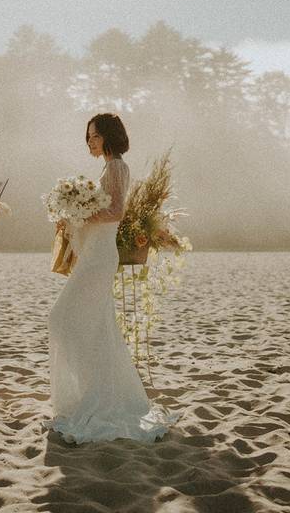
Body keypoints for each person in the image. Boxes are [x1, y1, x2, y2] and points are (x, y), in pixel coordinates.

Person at [48, 112, 175, 443]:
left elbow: (116, 212)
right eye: (88, 136)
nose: (90, 140)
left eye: (95, 135)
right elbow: (100, 214)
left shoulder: (117, 166)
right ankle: (99, 392)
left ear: (109, 136)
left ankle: (96, 393)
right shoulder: (107, 168)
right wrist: (71, 219)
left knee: (61, 318)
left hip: (101, 258)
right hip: (94, 255)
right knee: (96, 327)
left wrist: (76, 212)